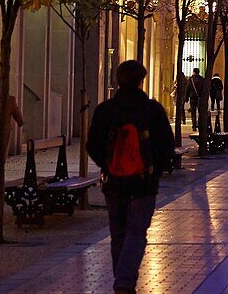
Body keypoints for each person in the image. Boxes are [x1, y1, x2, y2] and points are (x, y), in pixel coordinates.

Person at [87, 61, 174, 294]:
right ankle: (124, 283)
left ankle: (122, 280)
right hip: (143, 184)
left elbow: (92, 145)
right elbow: (167, 145)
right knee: (136, 233)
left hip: (114, 183)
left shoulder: (105, 110)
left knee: (118, 234)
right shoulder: (152, 110)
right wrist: (155, 171)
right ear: (141, 81)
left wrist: (109, 165)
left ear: (117, 81)